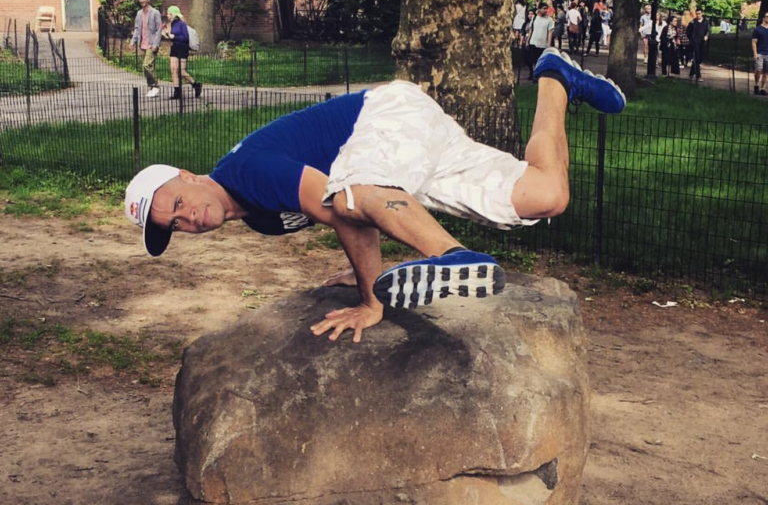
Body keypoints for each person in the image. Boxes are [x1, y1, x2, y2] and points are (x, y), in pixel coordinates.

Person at [123, 50, 626, 343]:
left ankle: (453, 257)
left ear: (187, 176)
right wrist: (364, 265)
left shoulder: (245, 172)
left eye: (177, 204)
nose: (188, 219)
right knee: (545, 194)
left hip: (387, 117)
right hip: (400, 151)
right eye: (176, 226)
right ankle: (555, 78)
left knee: (349, 197)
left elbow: (349, 209)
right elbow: (358, 211)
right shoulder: (259, 216)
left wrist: (371, 299)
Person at [162, 6, 202, 100]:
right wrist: (166, 35)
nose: (167, 15)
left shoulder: (182, 24)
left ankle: (195, 85)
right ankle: (177, 92)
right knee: (173, 69)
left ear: (173, 14)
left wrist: (174, 37)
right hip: (174, 48)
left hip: (182, 49)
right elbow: (171, 37)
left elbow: (185, 38)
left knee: (181, 71)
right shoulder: (171, 24)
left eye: (169, 13)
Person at [129, 0, 163, 98]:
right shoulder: (139, 13)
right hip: (142, 44)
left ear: (148, 0)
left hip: (151, 44)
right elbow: (137, 29)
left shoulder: (155, 13)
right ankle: (152, 87)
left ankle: (155, 86)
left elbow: (159, 29)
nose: (142, 0)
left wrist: (156, 44)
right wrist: (133, 42)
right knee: (148, 67)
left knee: (146, 65)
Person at [526, 3, 555, 79]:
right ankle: (533, 74)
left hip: (543, 44)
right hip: (533, 42)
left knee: (540, 61)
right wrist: (527, 40)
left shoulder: (549, 20)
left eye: (546, 9)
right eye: (544, 8)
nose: (545, 10)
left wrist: (548, 44)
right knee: (532, 59)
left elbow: (550, 32)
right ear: (539, 9)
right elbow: (531, 30)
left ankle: (538, 75)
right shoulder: (534, 18)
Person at [687, 8, 710, 82]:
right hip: (695, 43)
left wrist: (706, 36)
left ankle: (691, 73)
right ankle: (698, 76)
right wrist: (691, 39)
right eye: (697, 14)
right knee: (696, 58)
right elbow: (688, 31)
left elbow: (708, 30)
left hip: (702, 43)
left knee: (700, 59)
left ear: (702, 13)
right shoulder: (693, 22)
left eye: (699, 13)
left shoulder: (706, 22)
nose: (698, 15)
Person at [753, 12, 768, 95]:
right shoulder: (758, 30)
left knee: (766, 72)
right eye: (767, 16)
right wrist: (755, 53)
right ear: (763, 18)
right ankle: (756, 85)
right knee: (758, 70)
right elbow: (754, 42)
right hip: (760, 53)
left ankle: (763, 88)